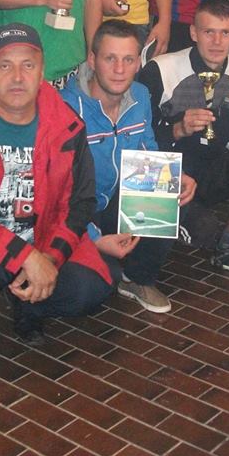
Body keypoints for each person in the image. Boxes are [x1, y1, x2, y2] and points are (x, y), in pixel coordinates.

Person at [0, 23, 117, 380]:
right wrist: (26, 258)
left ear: (42, 70)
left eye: (27, 65)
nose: (17, 77)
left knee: (90, 288)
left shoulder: (68, 126)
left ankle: (29, 304)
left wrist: (50, 259)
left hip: (42, 238)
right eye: (5, 65)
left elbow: (80, 203)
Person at [61, 20, 197, 313]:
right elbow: (58, 193)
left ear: (138, 63)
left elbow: (148, 150)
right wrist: (94, 239)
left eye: (128, 59)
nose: (120, 69)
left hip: (117, 202)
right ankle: (107, 260)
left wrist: (173, 175)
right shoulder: (66, 108)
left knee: (172, 192)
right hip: (77, 212)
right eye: (110, 58)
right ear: (92, 60)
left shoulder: (140, 95)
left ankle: (138, 278)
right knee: (98, 282)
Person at [138, 0, 229, 280]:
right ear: (193, 33)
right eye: (208, 32)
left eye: (225, 33)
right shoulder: (159, 69)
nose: (217, 41)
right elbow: (138, 138)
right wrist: (178, 129)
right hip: (171, 169)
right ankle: (146, 261)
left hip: (213, 167)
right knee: (203, 232)